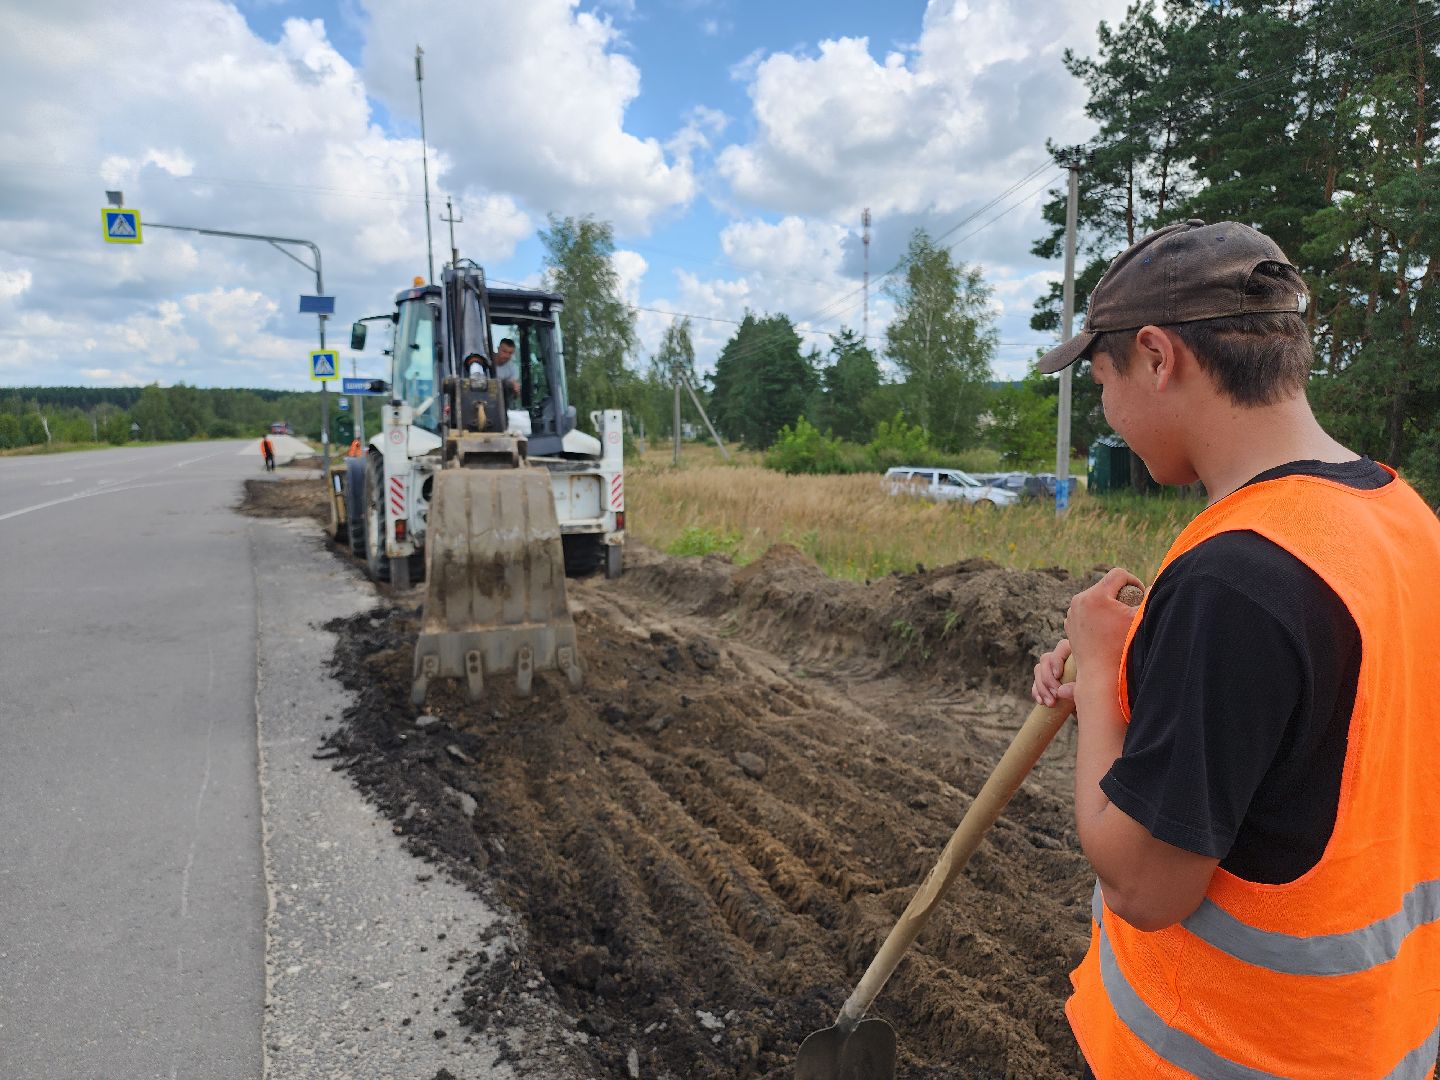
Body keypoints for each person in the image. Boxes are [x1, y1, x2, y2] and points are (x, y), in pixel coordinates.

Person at [1029, 219, 1440, 1078]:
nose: (1107, 415)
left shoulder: (1236, 579)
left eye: (1102, 382)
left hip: (1235, 1049)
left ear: (1154, 355)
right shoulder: (1403, 519)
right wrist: (1134, 685)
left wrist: (1104, 664)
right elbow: (1321, 740)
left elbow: (1145, 888)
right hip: (1375, 1039)